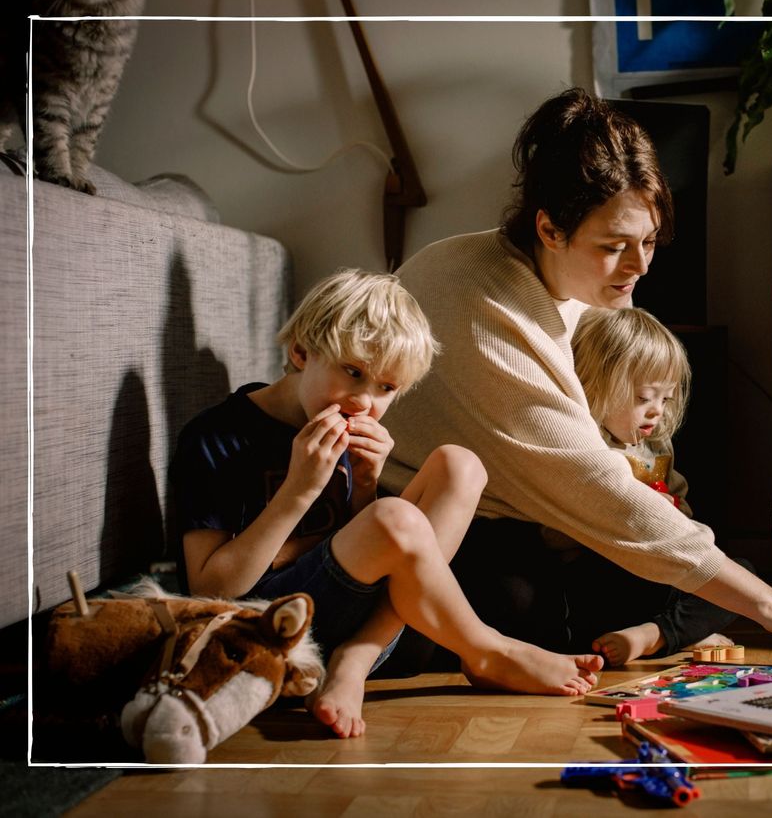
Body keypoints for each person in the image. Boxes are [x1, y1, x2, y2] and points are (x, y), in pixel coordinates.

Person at [379, 87, 772, 668]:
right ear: (549, 229)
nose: (641, 264)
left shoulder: (565, 287)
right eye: (614, 246)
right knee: (530, 606)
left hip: (534, 524)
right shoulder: (485, 305)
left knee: (701, 574)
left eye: (648, 242)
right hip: (438, 527)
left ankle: (650, 628)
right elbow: (595, 486)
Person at [171, 268, 603, 740]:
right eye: (352, 373)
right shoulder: (216, 437)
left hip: (375, 628)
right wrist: (299, 492)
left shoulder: (348, 424)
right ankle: (484, 649)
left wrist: (365, 484)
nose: (364, 401)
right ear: (300, 352)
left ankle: (355, 659)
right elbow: (212, 591)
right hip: (277, 631)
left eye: (386, 388)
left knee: (460, 465)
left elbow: (359, 547)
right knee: (395, 517)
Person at [562, 305, 739, 665]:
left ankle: (655, 636)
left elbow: (680, 502)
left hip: (656, 571)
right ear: (597, 383)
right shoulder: (583, 441)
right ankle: (677, 633)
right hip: (598, 576)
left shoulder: (656, 443)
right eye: (644, 398)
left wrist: (678, 518)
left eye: (665, 398)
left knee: (740, 572)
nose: (657, 410)